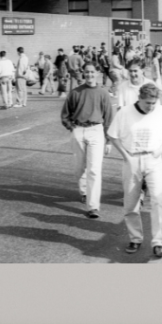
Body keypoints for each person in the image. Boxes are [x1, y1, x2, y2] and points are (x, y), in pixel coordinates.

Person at [108, 82, 162, 258]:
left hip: (154, 160)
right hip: (132, 159)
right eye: (148, 103)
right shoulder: (125, 113)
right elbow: (113, 135)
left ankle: (158, 242)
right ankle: (135, 238)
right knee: (131, 203)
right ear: (139, 98)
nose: (151, 106)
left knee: (158, 200)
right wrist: (126, 156)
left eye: (154, 103)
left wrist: (159, 151)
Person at [60, 62, 115, 218]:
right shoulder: (75, 92)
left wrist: (108, 140)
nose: (90, 75)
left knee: (94, 170)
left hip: (96, 130)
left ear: (97, 73)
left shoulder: (103, 93)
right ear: (83, 74)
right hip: (78, 130)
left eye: (92, 72)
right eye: (87, 72)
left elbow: (109, 117)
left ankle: (93, 206)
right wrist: (72, 127)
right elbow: (65, 114)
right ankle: (84, 191)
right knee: (79, 168)